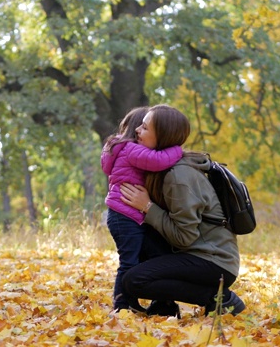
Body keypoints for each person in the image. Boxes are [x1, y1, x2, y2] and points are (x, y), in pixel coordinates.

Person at [119, 104, 246, 318]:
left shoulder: (178, 177)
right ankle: (164, 306)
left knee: (135, 280)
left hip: (214, 261)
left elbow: (185, 237)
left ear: (163, 136)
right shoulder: (164, 168)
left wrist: (147, 207)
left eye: (145, 128)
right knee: (142, 235)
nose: (138, 131)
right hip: (198, 252)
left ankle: (221, 300)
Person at [101, 106, 184, 313]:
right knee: (129, 261)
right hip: (124, 216)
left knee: (141, 256)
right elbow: (158, 161)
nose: (140, 130)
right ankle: (122, 305)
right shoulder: (132, 150)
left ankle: (157, 302)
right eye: (141, 126)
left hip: (123, 215)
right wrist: (178, 148)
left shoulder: (123, 149)